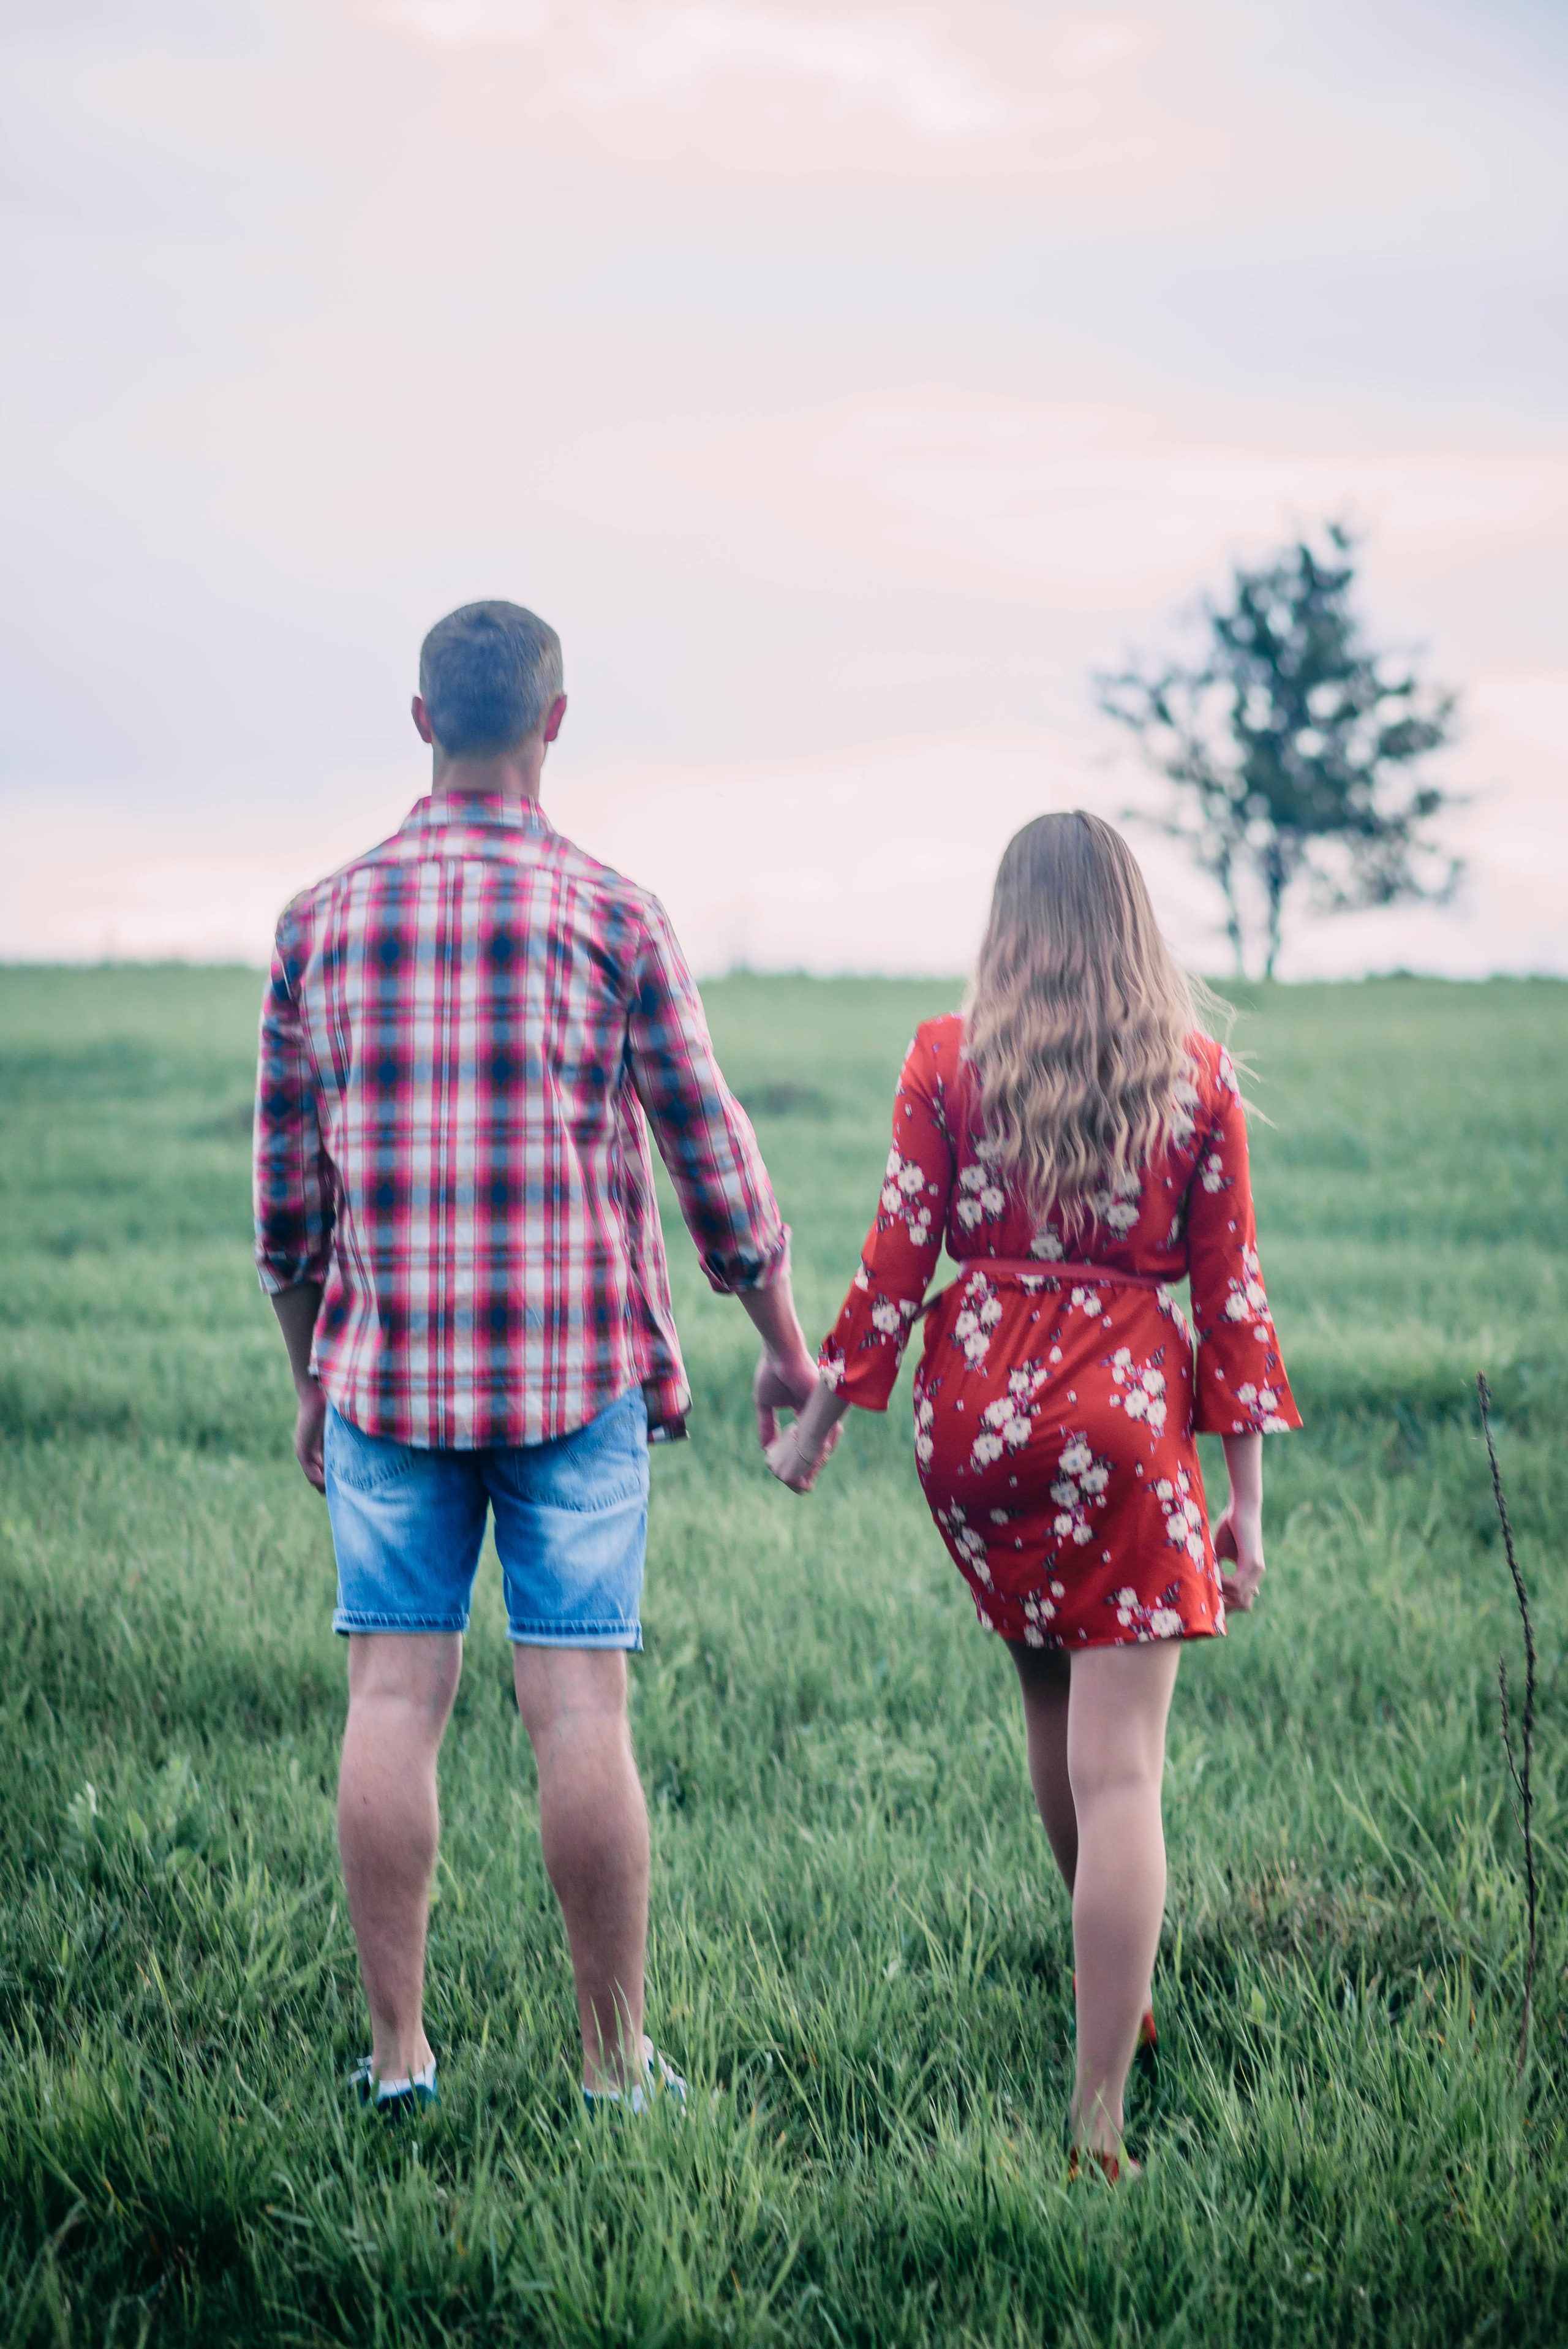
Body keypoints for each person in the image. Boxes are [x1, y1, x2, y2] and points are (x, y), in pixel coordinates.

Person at [254, 600, 823, 2116]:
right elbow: (711, 1157)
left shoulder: (317, 923)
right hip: (574, 1382)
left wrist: (312, 1372)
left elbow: (287, 1206)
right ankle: (612, 2066)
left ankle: (397, 2061)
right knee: (579, 1712)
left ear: (421, 721)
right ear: (554, 723)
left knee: (391, 1702)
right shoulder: (614, 916)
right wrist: (782, 1342)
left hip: (385, 1381)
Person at [767, 811, 1299, 2179]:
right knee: (1122, 1772)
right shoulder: (1193, 1078)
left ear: (1007, 927)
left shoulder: (948, 1060)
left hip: (976, 1427)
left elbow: (895, 1260)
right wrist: (1244, 1496)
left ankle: (1111, 1984)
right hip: (1119, 1426)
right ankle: (1098, 2122)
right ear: (1133, 925)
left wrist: (817, 1419)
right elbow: (1231, 1298)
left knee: (1055, 1715)